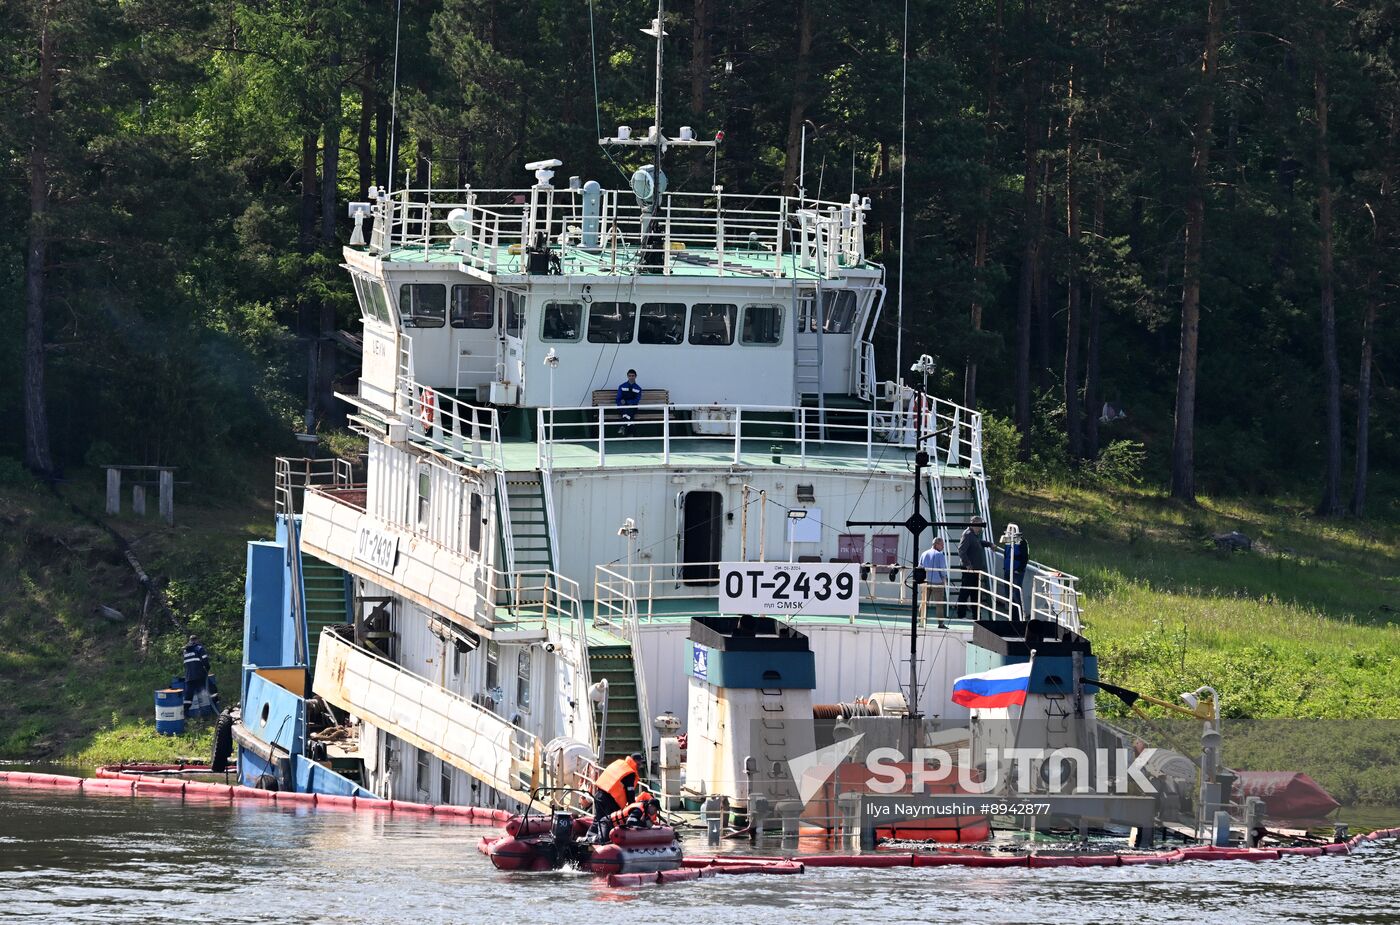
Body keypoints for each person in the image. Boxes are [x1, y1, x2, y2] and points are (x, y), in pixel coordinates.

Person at [591, 752, 648, 830]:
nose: (640, 765)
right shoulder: (630, 773)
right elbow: (630, 791)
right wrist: (632, 807)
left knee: (598, 820)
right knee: (609, 822)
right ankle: (605, 840)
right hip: (610, 800)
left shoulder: (619, 764)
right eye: (639, 763)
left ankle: (590, 837)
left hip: (599, 795)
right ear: (634, 761)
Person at [956, 516, 996, 621]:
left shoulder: (974, 535)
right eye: (980, 525)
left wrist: (989, 544)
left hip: (975, 570)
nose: (981, 527)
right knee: (965, 592)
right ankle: (961, 615)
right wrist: (968, 564)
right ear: (975, 524)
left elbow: (979, 542)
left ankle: (977, 616)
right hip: (969, 569)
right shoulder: (968, 534)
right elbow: (961, 551)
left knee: (975, 593)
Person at [999, 523, 1030, 619]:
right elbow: (1006, 555)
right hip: (1008, 570)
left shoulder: (1022, 542)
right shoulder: (1008, 542)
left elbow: (1025, 557)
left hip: (1017, 572)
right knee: (1008, 594)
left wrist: (1019, 570)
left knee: (1016, 594)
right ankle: (1011, 615)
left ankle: (1018, 616)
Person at [919, 536, 950, 627]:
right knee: (939, 604)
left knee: (924, 602)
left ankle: (921, 622)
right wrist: (944, 579)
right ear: (936, 544)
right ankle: (940, 623)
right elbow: (942, 570)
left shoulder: (924, 554)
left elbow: (920, 567)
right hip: (937, 582)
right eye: (941, 545)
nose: (943, 547)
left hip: (925, 581)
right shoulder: (940, 555)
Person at [182, 635, 211, 717]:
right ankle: (206, 713)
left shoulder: (185, 650)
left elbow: (185, 664)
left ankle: (185, 714)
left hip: (189, 677)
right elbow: (205, 661)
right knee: (206, 691)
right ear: (197, 640)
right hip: (199, 676)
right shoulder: (199, 648)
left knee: (188, 696)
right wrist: (207, 669)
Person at [615, 369, 642, 436]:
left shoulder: (638, 388)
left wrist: (627, 402)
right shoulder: (622, 386)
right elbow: (618, 399)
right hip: (622, 407)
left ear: (635, 376)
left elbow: (637, 400)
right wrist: (621, 404)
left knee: (628, 412)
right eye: (629, 376)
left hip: (633, 407)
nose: (631, 377)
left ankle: (623, 426)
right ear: (627, 376)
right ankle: (631, 433)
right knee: (628, 414)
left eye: (633, 376)